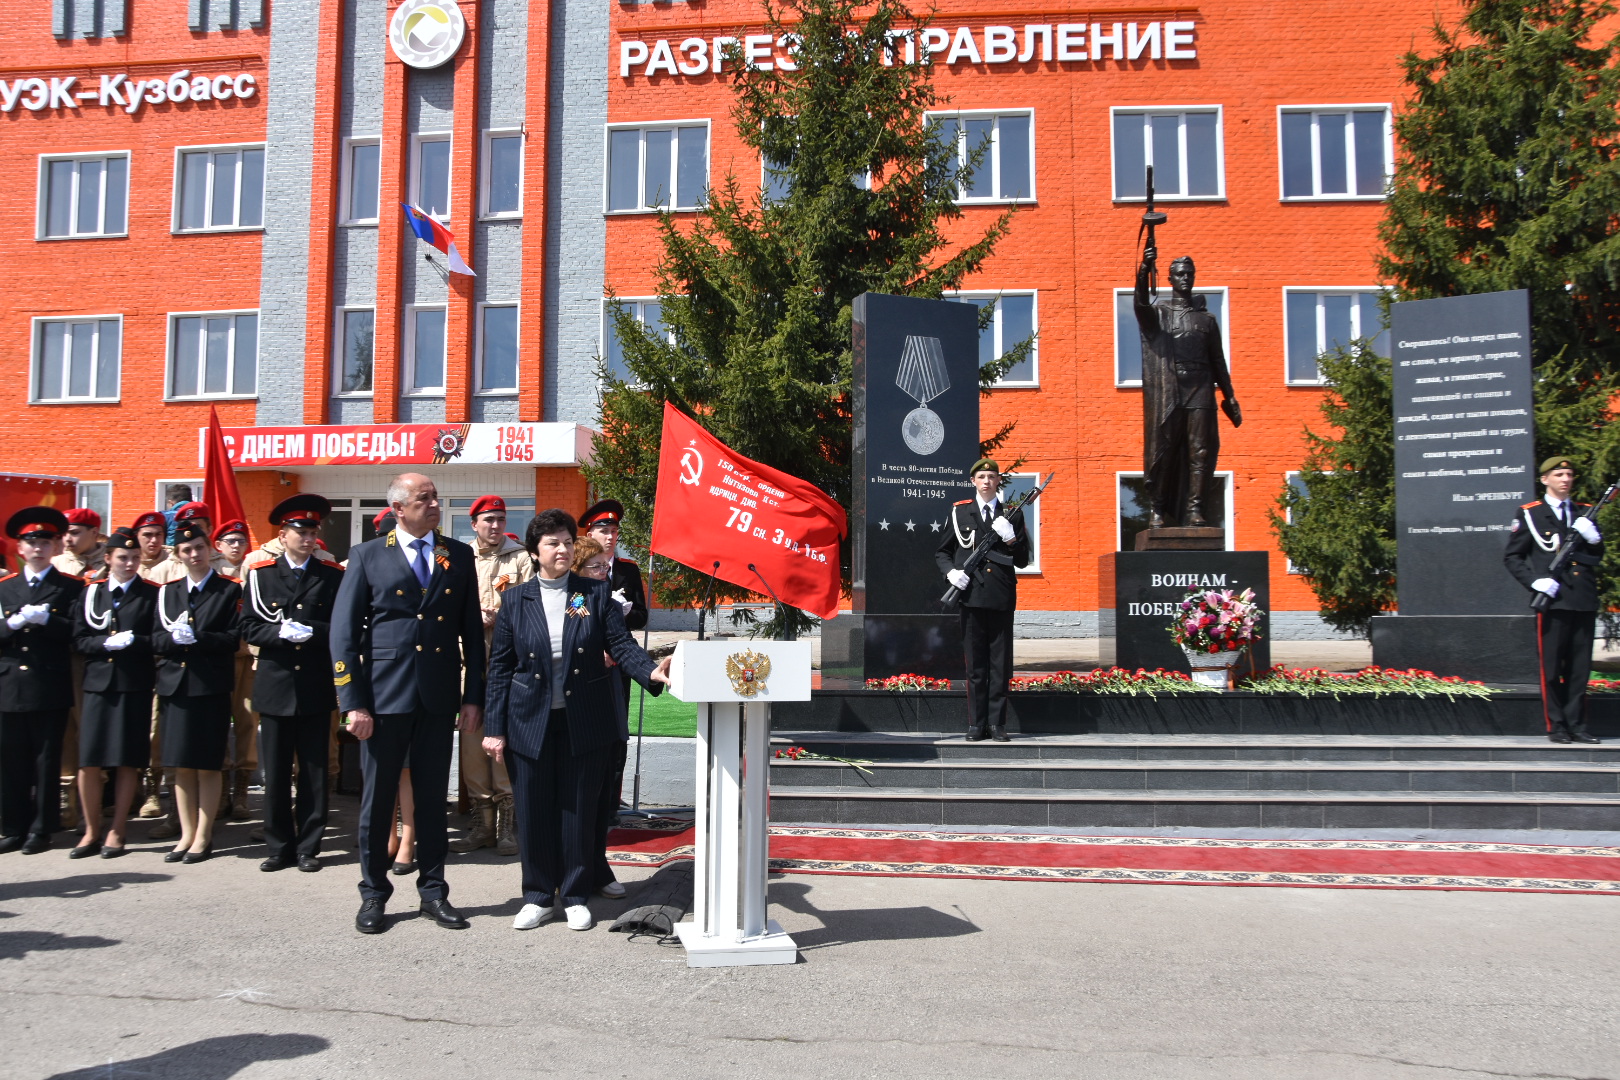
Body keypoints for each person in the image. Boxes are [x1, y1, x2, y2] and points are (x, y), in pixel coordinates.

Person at [484, 509, 672, 932]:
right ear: (535, 552)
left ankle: (572, 894)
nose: (563, 549)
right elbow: (499, 668)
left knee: (578, 810)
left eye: (568, 541)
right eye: (553, 543)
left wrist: (650, 670)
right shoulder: (517, 599)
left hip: (582, 720)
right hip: (528, 721)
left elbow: (619, 643)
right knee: (533, 811)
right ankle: (536, 895)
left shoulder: (588, 594)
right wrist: (494, 728)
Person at [330, 473, 485, 935]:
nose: (435, 503)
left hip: (436, 700)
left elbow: (472, 635)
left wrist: (472, 696)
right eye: (425, 498)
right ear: (398, 508)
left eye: (435, 497)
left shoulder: (455, 555)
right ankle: (374, 893)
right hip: (382, 701)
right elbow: (343, 636)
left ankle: (433, 892)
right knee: (378, 803)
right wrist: (352, 702)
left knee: (434, 800)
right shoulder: (366, 556)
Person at [238, 495, 344, 873]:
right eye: (300, 531)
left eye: (312, 531)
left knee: (314, 771)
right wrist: (280, 634)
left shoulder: (332, 576)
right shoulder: (260, 574)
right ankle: (279, 845)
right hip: (276, 682)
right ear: (282, 536)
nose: (307, 537)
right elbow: (248, 625)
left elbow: (342, 629)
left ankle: (309, 847)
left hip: (315, 683)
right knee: (277, 772)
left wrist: (311, 632)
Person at [151, 521, 242, 863]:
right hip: (175, 685)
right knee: (180, 765)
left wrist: (199, 638)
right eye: (187, 550)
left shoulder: (228, 590)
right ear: (178, 554)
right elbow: (155, 639)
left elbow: (233, 639)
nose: (194, 554)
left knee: (207, 763)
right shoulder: (167, 592)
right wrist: (173, 639)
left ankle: (204, 836)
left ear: (210, 550)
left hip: (209, 686)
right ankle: (186, 834)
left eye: (200, 548)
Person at [1134, 246, 1242, 529]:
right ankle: (1157, 509)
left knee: (1200, 451)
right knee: (1164, 450)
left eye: (1189, 274)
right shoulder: (1160, 315)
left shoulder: (1206, 319)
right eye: (1180, 274)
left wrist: (1229, 395)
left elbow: (1218, 361)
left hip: (1201, 389)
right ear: (1169, 279)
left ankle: (1195, 510)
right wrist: (1144, 272)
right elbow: (1140, 307)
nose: (1185, 279)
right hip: (1171, 390)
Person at [452, 494, 533, 857]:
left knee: (502, 743)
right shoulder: (457, 558)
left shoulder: (521, 559)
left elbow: (533, 607)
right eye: (488, 520)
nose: (495, 525)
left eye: (500, 519)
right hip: (469, 665)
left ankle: (505, 826)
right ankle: (481, 822)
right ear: (474, 524)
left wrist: (501, 618)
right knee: (472, 743)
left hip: (508, 664)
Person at [0, 507, 85, 854]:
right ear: (20, 548)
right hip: (9, 684)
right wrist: (12, 624)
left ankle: (41, 828)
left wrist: (48, 622)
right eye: (31, 542)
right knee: (11, 759)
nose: (38, 547)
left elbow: (78, 632)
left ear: (56, 547)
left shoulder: (69, 586)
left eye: (45, 541)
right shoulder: (5, 588)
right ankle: (12, 826)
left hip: (48, 682)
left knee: (47, 759)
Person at [1504, 456, 1605, 744]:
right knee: (1551, 667)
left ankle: (1578, 725)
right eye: (1559, 474)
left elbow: (1596, 557)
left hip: (1583, 598)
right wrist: (1535, 582)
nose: (1565, 479)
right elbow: (1512, 557)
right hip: (1553, 599)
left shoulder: (1584, 512)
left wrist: (1594, 538)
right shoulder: (1530, 514)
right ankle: (1557, 726)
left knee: (1579, 668)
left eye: (1569, 474)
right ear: (1545, 479)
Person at [70, 527, 157, 859]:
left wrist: (134, 642)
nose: (130, 562)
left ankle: (117, 829)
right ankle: (91, 829)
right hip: (97, 685)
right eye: (123, 557)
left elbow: (157, 639)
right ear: (108, 559)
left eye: (135, 557)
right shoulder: (92, 593)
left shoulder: (150, 594)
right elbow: (78, 639)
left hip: (132, 684)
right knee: (89, 761)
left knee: (126, 760)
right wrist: (104, 643)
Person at [935, 459, 1031, 742]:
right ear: (973, 481)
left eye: (991, 476)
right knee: (976, 664)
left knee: (1000, 664)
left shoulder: (1011, 515)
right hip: (971, 596)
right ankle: (977, 725)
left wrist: (1012, 540)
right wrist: (951, 573)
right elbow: (942, 552)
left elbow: (1023, 561)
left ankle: (997, 724)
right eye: (981, 476)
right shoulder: (960, 512)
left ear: (999, 480)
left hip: (1001, 597)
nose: (987, 480)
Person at [570, 536, 635, 899]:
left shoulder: (605, 600)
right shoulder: (578, 597)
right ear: (577, 570)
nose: (603, 571)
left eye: (604, 566)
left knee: (599, 797)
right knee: (578, 797)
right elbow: (577, 634)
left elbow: (622, 643)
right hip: (578, 707)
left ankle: (598, 864)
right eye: (595, 566)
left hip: (606, 698)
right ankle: (575, 869)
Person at [53, 506, 106, 836]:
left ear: (94, 534)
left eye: (75, 532)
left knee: (96, 730)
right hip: (67, 659)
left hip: (100, 660)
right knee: (68, 729)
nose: (68, 539)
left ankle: (99, 803)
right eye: (66, 533)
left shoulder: (107, 564)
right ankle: (68, 796)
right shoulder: (58, 565)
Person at [212, 519, 256, 820]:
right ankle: (221, 787)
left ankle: (241, 789)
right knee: (217, 723)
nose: (237, 546)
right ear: (219, 546)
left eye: (241, 540)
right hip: (221, 657)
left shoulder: (254, 572)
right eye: (231, 541)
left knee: (247, 722)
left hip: (248, 657)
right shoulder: (213, 575)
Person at [130, 510, 170, 821]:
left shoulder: (172, 566)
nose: (153, 540)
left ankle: (155, 790)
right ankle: (143, 789)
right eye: (147, 535)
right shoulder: (134, 569)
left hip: (167, 662)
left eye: (158, 534)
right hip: (139, 663)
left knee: (160, 730)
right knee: (142, 730)